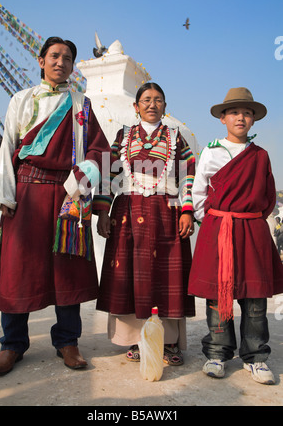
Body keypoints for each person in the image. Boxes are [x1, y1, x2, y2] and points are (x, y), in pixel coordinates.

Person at [0, 36, 111, 376]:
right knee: (18, 270)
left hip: (68, 199)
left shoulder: (82, 106)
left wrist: (86, 182)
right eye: (54, 56)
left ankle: (68, 342)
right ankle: (11, 345)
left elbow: (100, 152)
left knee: (66, 270)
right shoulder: (21, 100)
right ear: (41, 60)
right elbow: (7, 149)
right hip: (26, 195)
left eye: (68, 58)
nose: (61, 62)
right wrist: (6, 197)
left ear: (73, 66)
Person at [94, 82, 196, 366]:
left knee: (167, 276)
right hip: (128, 211)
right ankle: (137, 339)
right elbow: (108, 172)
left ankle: (168, 341)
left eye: (159, 100)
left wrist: (187, 210)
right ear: (135, 105)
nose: (153, 105)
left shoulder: (176, 137)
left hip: (167, 210)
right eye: (147, 100)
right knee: (130, 273)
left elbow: (188, 173)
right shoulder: (123, 136)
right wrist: (103, 211)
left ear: (165, 105)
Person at [188, 87, 283, 385]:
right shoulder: (211, 152)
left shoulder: (261, 156)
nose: (240, 117)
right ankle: (217, 353)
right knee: (219, 296)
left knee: (255, 298)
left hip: (252, 229)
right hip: (218, 230)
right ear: (222, 119)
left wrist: (248, 220)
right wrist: (215, 222)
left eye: (246, 112)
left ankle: (255, 357)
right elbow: (199, 193)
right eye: (234, 112)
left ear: (253, 120)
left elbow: (268, 197)